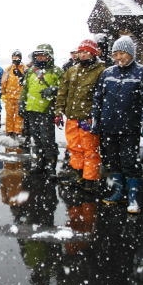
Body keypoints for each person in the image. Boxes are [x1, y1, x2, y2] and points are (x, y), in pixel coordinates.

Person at [92, 35, 143, 213]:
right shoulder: (107, 73)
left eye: (122, 53)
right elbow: (98, 98)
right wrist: (96, 120)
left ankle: (133, 196)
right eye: (115, 54)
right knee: (112, 161)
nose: (118, 58)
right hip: (108, 125)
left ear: (131, 53)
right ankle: (118, 191)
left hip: (130, 127)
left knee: (130, 162)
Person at [55, 40, 105, 191]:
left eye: (86, 52)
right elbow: (63, 92)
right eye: (81, 52)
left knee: (90, 150)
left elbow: (102, 96)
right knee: (74, 148)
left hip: (87, 118)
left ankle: (90, 180)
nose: (83, 55)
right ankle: (79, 175)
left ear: (93, 53)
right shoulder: (72, 70)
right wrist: (58, 111)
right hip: (72, 117)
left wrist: (95, 115)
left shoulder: (101, 71)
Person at [20, 44, 62, 173]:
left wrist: (53, 89)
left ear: (49, 56)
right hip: (32, 109)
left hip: (46, 110)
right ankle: (40, 162)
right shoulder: (31, 71)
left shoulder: (56, 71)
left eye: (43, 55)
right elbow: (25, 90)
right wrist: (22, 104)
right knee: (36, 138)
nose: (40, 58)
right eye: (38, 55)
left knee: (47, 139)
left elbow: (65, 88)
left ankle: (50, 165)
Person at [1, 50, 26, 138]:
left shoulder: (25, 69)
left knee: (19, 115)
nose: (15, 59)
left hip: (20, 97)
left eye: (17, 57)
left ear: (20, 58)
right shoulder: (8, 69)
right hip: (9, 96)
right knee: (9, 115)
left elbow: (27, 82)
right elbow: (3, 82)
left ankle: (17, 131)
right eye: (14, 57)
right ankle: (9, 130)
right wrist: (3, 93)